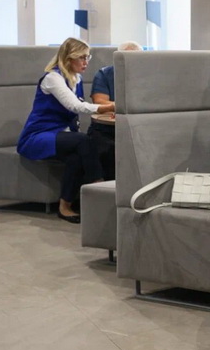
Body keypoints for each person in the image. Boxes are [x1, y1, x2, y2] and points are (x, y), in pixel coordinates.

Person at [17, 37, 115, 224]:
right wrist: (109, 107)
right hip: (37, 135)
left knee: (77, 156)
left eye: (88, 57)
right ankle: (100, 189)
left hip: (59, 134)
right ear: (69, 58)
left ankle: (66, 206)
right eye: (82, 57)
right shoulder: (52, 78)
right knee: (84, 141)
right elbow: (75, 106)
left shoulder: (76, 78)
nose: (86, 62)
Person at [87, 41, 142, 180]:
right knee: (108, 151)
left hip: (137, 129)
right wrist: (124, 106)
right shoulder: (104, 74)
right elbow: (100, 102)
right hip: (107, 131)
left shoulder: (145, 76)